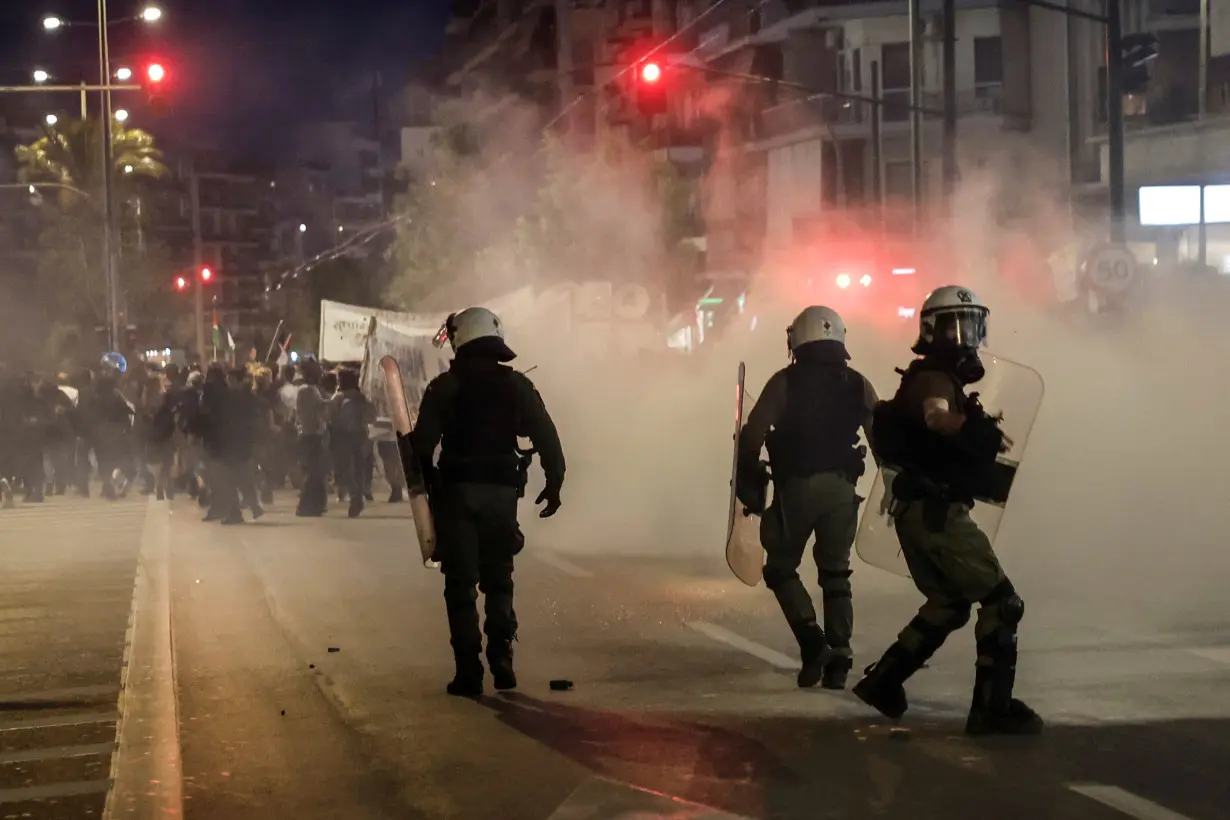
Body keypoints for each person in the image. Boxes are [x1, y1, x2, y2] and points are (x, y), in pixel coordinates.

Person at [852, 285, 1043, 736]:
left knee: (950, 603)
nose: (968, 336)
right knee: (1002, 602)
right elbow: (937, 418)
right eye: (957, 326)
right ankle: (991, 709)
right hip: (935, 514)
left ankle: (883, 681)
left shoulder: (935, 379)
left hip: (918, 512)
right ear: (931, 331)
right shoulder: (932, 380)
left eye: (973, 325)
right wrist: (970, 428)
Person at [410, 307, 565, 698]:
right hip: (501, 496)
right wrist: (554, 482)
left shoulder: (443, 387)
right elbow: (546, 435)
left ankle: (469, 673)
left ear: (460, 338)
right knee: (499, 579)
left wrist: (425, 487)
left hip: (457, 497)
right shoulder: (517, 387)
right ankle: (502, 659)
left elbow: (421, 449)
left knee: (461, 586)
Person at [736, 306, 877, 690]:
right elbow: (883, 441)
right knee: (836, 573)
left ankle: (813, 643)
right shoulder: (859, 384)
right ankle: (841, 655)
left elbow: (751, 435)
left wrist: (748, 476)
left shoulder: (783, 382)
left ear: (796, 340)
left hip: (796, 489)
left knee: (780, 569)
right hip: (842, 491)